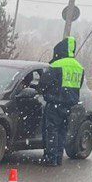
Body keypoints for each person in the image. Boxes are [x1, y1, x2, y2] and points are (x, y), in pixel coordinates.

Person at [38, 36, 84, 166]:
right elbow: (78, 85)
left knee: (51, 131)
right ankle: (58, 157)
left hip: (54, 104)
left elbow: (44, 83)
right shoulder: (79, 67)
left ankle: (50, 158)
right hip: (69, 105)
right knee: (62, 131)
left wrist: (44, 91)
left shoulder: (56, 65)